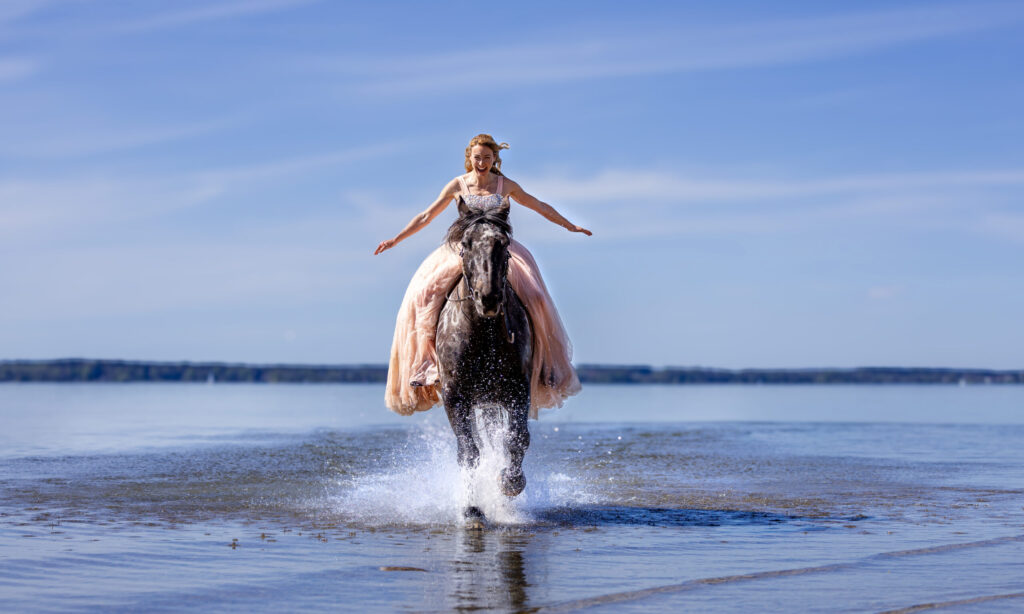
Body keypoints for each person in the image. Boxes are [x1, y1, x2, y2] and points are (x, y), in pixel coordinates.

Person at [374, 134, 591, 419]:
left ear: (494, 160)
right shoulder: (457, 185)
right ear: (470, 158)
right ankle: (426, 365)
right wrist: (396, 239)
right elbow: (426, 216)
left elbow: (539, 205)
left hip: (501, 250)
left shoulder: (506, 185)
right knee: (423, 294)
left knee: (536, 296)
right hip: (463, 251)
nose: (482, 163)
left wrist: (569, 226)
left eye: (487, 158)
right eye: (477, 158)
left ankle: (543, 366)